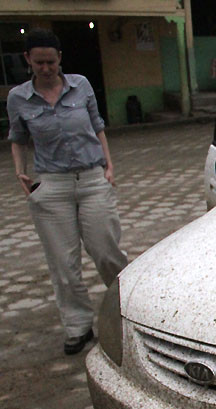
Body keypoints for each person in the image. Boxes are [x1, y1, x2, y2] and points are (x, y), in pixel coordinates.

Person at [6, 29, 128, 355]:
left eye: (51, 61)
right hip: (51, 186)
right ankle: (78, 327)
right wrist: (20, 170)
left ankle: (128, 312)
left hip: (91, 179)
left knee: (106, 250)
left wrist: (109, 166)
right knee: (63, 262)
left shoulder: (81, 85)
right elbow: (17, 137)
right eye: (39, 62)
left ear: (60, 59)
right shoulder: (18, 98)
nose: (46, 68)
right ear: (28, 61)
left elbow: (97, 126)